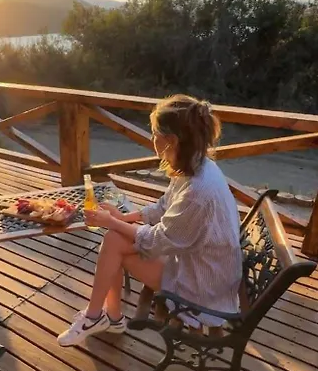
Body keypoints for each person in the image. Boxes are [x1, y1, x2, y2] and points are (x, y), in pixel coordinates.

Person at [57, 94, 243, 347]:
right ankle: (106, 317)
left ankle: (100, 317)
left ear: (171, 140)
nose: (151, 139)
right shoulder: (197, 165)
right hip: (200, 263)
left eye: (154, 133)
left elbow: (158, 241)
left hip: (202, 287)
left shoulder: (198, 190)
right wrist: (124, 217)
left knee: (114, 242)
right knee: (114, 239)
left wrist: (112, 222)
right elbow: (164, 206)